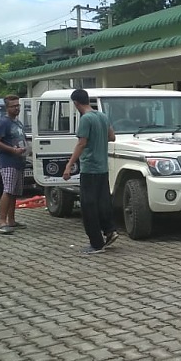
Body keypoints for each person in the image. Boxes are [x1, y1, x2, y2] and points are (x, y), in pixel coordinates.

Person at [63, 89, 119, 255]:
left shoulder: (85, 119)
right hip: (102, 168)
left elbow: (81, 143)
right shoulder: (102, 116)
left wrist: (69, 165)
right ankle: (110, 230)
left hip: (90, 168)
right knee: (103, 203)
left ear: (76, 103)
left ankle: (96, 243)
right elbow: (112, 136)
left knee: (88, 206)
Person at [0, 94, 27, 234]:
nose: (17, 108)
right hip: (8, 161)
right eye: (13, 106)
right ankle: (2, 221)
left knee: (14, 192)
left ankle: (11, 220)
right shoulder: (4, 122)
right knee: (8, 190)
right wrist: (12, 150)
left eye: (18, 105)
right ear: (7, 108)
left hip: (19, 161)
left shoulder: (17, 122)